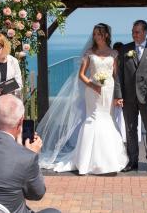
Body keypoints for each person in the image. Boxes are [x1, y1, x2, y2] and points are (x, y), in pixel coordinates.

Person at [38, 23, 128, 175]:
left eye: (99, 34)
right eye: (94, 34)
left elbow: (116, 76)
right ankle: (86, 159)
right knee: (92, 119)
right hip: (92, 91)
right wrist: (92, 85)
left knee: (107, 118)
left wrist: (118, 96)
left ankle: (108, 159)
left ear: (106, 35)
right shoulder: (89, 52)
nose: (96, 37)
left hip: (108, 90)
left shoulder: (113, 53)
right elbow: (81, 75)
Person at [115, 20, 147, 173]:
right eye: (133, 31)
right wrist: (118, 95)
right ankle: (133, 161)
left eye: (137, 32)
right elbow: (119, 76)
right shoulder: (124, 49)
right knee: (130, 130)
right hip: (128, 97)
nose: (134, 34)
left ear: (145, 32)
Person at [112, 42, 142, 143]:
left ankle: (124, 135)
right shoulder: (115, 61)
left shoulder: (127, 59)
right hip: (118, 89)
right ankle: (120, 134)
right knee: (119, 112)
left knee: (125, 113)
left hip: (128, 91)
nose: (118, 54)